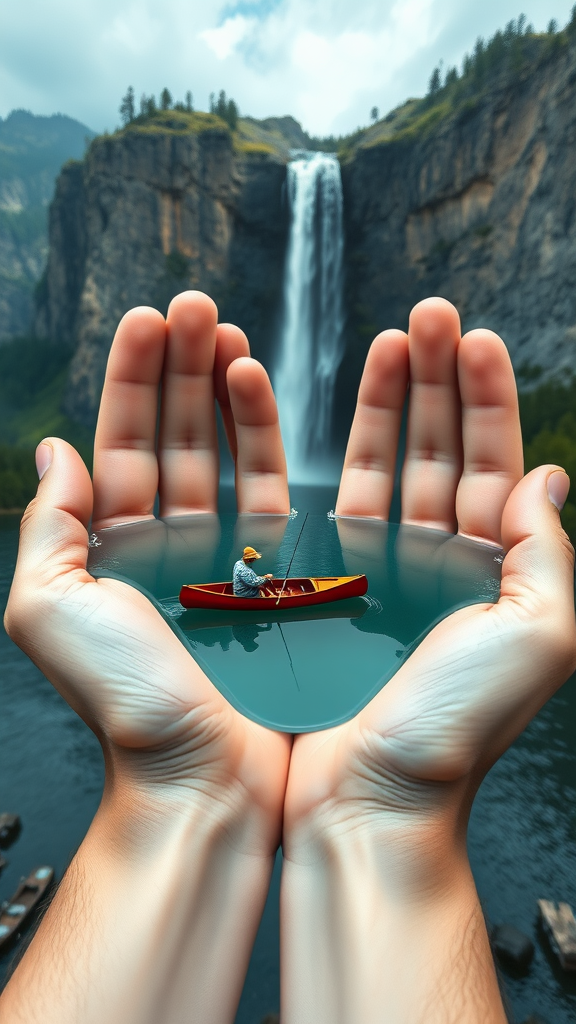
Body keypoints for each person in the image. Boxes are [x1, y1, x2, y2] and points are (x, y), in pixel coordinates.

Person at [1, 291, 575, 1024]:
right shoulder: (244, 576)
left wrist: (175, 797)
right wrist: (383, 823)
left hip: (254, 604)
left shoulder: (247, 574)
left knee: (254, 609)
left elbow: (251, 580)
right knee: (253, 609)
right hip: (250, 606)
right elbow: (248, 583)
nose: (244, 562)